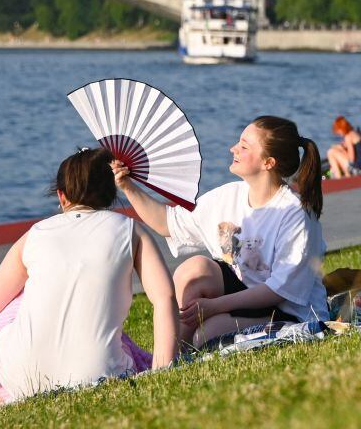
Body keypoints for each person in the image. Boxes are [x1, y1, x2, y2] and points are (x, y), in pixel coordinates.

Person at [0, 148, 179, 418]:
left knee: (15, 300)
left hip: (20, 375)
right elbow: (164, 298)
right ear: (112, 193)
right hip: (100, 370)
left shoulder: (36, 234)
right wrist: (163, 369)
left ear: (61, 196)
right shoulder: (130, 229)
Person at [113, 116, 330, 348]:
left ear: (268, 163)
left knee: (207, 334)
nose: (233, 148)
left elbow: (278, 291)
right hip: (245, 294)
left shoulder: (294, 214)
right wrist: (128, 186)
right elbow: (167, 224)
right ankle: (167, 359)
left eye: (244, 146)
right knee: (193, 270)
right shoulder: (228, 196)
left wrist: (215, 307)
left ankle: (186, 350)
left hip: (288, 311)